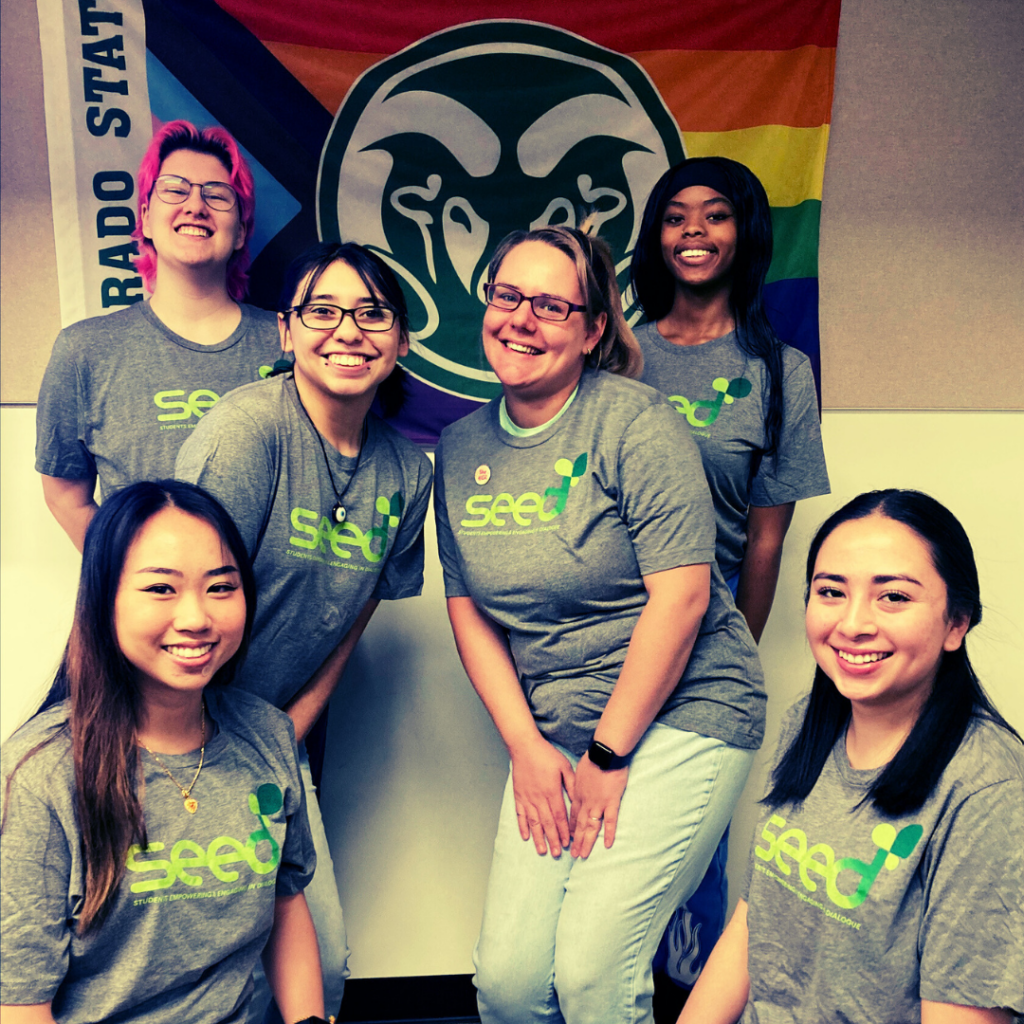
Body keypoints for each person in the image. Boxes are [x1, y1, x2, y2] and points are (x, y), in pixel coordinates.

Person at [433, 225, 766, 1023]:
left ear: (591, 331)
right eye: (508, 296)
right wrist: (527, 747)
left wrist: (610, 754)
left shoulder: (634, 421)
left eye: (551, 305)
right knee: (511, 989)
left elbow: (683, 597)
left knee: (591, 971)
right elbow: (468, 608)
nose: (521, 319)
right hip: (554, 733)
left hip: (685, 711)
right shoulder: (458, 446)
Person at [175, 241, 433, 1019]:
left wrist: (290, 730)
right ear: (286, 333)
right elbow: (172, 606)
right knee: (186, 967)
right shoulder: (246, 433)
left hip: (268, 737)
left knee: (318, 974)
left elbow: (354, 614)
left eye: (371, 313)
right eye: (322, 311)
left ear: (401, 339)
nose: (347, 331)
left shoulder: (406, 471)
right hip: (163, 734)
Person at [679, 490, 1024, 1024]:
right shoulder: (811, 722)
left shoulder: (989, 790)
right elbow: (754, 923)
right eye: (831, 591)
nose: (854, 623)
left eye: (894, 597)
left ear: (958, 622)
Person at [0, 481, 327, 1024]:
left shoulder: (267, 736)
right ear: (105, 598)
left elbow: (285, 898)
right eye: (161, 589)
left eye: (221, 587)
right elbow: (20, 1004)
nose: (196, 618)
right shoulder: (40, 776)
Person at [630, 155, 830, 992]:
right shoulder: (618, 356)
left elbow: (767, 541)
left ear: (745, 232)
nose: (694, 232)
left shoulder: (781, 372)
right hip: (604, 644)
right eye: (676, 216)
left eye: (714, 215)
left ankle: (682, 1005)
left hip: (707, 650)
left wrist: (726, 649)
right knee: (598, 840)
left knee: (687, 858)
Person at [36, 120, 281, 551]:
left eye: (217, 195)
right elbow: (65, 496)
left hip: (269, 614)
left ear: (241, 230)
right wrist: (132, 573)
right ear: (146, 218)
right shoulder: (84, 350)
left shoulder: (290, 342)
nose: (196, 205)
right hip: (142, 616)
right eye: (175, 189)